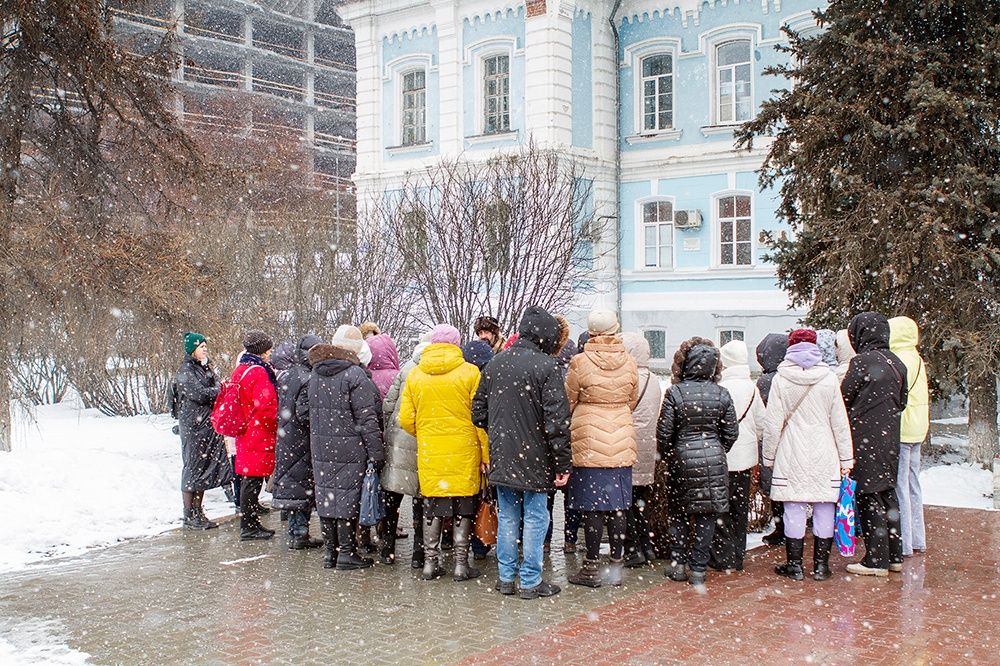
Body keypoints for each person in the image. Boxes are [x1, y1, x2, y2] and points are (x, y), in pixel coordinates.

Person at [472, 306, 571, 600]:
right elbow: (558, 423)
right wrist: (562, 462)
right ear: (546, 336)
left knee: (508, 517)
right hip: (536, 456)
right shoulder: (547, 367)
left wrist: (501, 430)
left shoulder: (495, 364)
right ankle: (529, 581)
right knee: (536, 517)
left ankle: (505, 578)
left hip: (503, 454)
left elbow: (477, 412)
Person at [761, 329, 854, 581]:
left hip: (791, 450)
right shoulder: (829, 378)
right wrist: (846, 459)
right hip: (826, 450)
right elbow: (840, 423)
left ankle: (795, 565)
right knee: (825, 506)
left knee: (794, 506)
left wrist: (768, 457)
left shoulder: (781, 379)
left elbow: (772, 424)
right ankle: (821, 566)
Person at [400, 325, 489, 582]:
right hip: (464, 450)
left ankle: (430, 563)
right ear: (457, 344)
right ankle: (461, 565)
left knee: (433, 506)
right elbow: (479, 419)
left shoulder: (415, 375)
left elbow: (406, 418)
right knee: (463, 506)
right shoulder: (470, 373)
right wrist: (485, 455)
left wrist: (425, 431)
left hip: (431, 450)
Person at [564, 310, 638, 588]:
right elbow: (631, 398)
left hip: (588, 440)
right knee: (618, 506)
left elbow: (569, 399)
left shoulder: (579, 362)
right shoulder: (629, 362)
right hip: (620, 437)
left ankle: (591, 567)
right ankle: (616, 566)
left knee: (592, 507)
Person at [657, 337, 739, 587]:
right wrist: (716, 448)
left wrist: (673, 451)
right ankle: (698, 568)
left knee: (679, 513)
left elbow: (663, 433)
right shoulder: (722, 394)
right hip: (714, 460)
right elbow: (732, 432)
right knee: (707, 516)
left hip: (682, 461)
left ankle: (678, 564)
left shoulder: (676, 392)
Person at [302, 326, 384, 570]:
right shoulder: (355, 375)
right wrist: (376, 452)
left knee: (327, 498)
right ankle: (346, 552)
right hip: (350, 447)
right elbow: (367, 419)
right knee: (346, 500)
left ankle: (330, 553)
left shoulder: (315, 373)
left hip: (321, 446)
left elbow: (306, 411)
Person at [842, 312, 908, 577]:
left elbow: (843, 398)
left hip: (865, 437)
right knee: (888, 493)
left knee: (868, 495)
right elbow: (902, 401)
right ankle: (894, 555)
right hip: (890, 436)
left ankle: (875, 560)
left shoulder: (861, 362)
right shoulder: (897, 363)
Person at [711, 339, 765, 572]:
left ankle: (723, 554)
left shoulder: (721, 387)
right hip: (746, 457)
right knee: (740, 508)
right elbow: (762, 424)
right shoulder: (752, 387)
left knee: (720, 508)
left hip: (722, 456)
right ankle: (738, 553)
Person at [171, 332, 234, 530]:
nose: (205, 349)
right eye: (201, 346)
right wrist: (217, 391)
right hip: (193, 428)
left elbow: (215, 385)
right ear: (192, 350)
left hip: (206, 426)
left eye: (205, 345)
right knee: (193, 468)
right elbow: (199, 393)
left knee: (204, 470)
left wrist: (216, 389)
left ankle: (198, 511)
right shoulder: (186, 371)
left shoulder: (204, 368)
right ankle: (189, 514)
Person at [382, 331, 432, 567]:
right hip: (423, 441)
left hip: (399, 440)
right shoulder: (433, 372)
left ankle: (387, 549)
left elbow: (388, 404)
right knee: (421, 499)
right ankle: (418, 555)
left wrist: (389, 432)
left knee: (393, 496)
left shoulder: (405, 370)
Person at [272, 334, 324, 550]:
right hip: (301, 440)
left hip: (287, 436)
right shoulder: (309, 377)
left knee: (293, 486)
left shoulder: (290, 374)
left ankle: (296, 532)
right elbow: (304, 413)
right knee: (302, 485)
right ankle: (300, 533)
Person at [231, 330, 279, 540]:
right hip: (258, 432)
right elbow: (267, 406)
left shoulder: (241, 369)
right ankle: (249, 525)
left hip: (245, 430)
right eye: (268, 350)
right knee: (253, 479)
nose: (270, 353)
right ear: (261, 351)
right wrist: (276, 424)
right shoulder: (259, 372)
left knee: (248, 477)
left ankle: (249, 522)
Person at [620, 332, 663, 568]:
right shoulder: (654, 379)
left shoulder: (628, 378)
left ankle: (633, 548)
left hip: (629, 445)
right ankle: (647, 546)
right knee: (641, 502)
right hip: (648, 448)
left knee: (625, 503)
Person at [889, 316, 929, 558]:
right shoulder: (917, 357)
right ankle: (918, 538)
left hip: (903, 426)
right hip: (918, 425)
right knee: (914, 484)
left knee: (899, 485)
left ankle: (903, 543)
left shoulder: (899, 359)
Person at [548, 315, 581, 553]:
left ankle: (546, 540)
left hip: (547, 439)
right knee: (572, 498)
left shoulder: (544, 368)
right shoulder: (573, 370)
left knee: (546, 497)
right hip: (571, 439)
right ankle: (569, 539)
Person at [462, 338, 495, 562]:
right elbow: (481, 423)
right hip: (479, 448)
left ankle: (464, 549)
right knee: (486, 498)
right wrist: (486, 455)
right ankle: (481, 543)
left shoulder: (460, 376)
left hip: (457, 448)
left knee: (467, 502)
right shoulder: (484, 380)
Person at [756, 332, 789, 545]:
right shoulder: (789, 375)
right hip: (792, 441)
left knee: (776, 488)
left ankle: (782, 528)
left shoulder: (766, 381)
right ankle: (790, 527)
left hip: (773, 440)